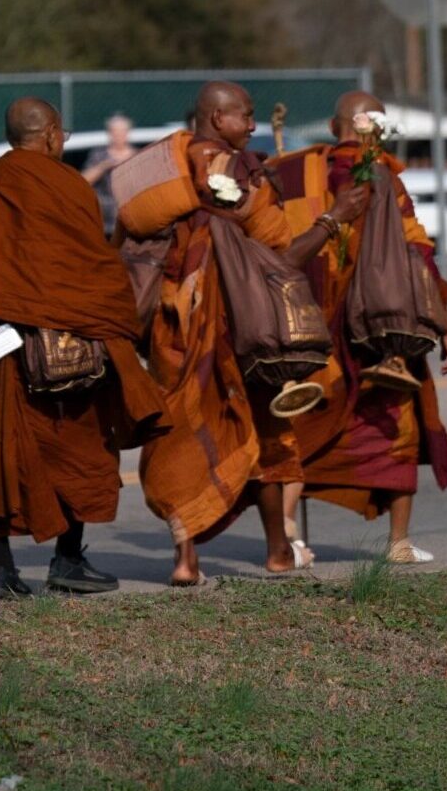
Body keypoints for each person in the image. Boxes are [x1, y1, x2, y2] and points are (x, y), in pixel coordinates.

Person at [0, 98, 168, 599]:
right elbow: (87, 270)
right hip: (59, 347)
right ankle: (66, 560)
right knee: (78, 446)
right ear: (53, 135)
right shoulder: (65, 187)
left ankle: (0, 569)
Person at [135, 81, 366, 588]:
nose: (254, 125)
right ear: (219, 119)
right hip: (238, 328)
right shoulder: (242, 172)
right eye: (246, 115)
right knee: (266, 431)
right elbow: (282, 256)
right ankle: (278, 552)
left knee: (183, 430)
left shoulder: (162, 170)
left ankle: (185, 558)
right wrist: (333, 219)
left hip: (173, 326)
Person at [269, 90, 447, 564]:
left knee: (304, 425)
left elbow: (275, 245)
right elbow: (418, 252)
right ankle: (397, 542)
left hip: (313, 322)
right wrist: (443, 323)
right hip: (384, 328)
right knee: (397, 427)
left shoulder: (294, 172)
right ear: (379, 128)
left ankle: (289, 532)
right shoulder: (385, 177)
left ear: (336, 129)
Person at [82, 113, 137, 236]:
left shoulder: (137, 156)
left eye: (122, 132)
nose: (118, 136)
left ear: (128, 133)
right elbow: (83, 181)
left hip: (132, 223)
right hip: (103, 224)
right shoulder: (98, 156)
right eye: (114, 132)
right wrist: (104, 166)